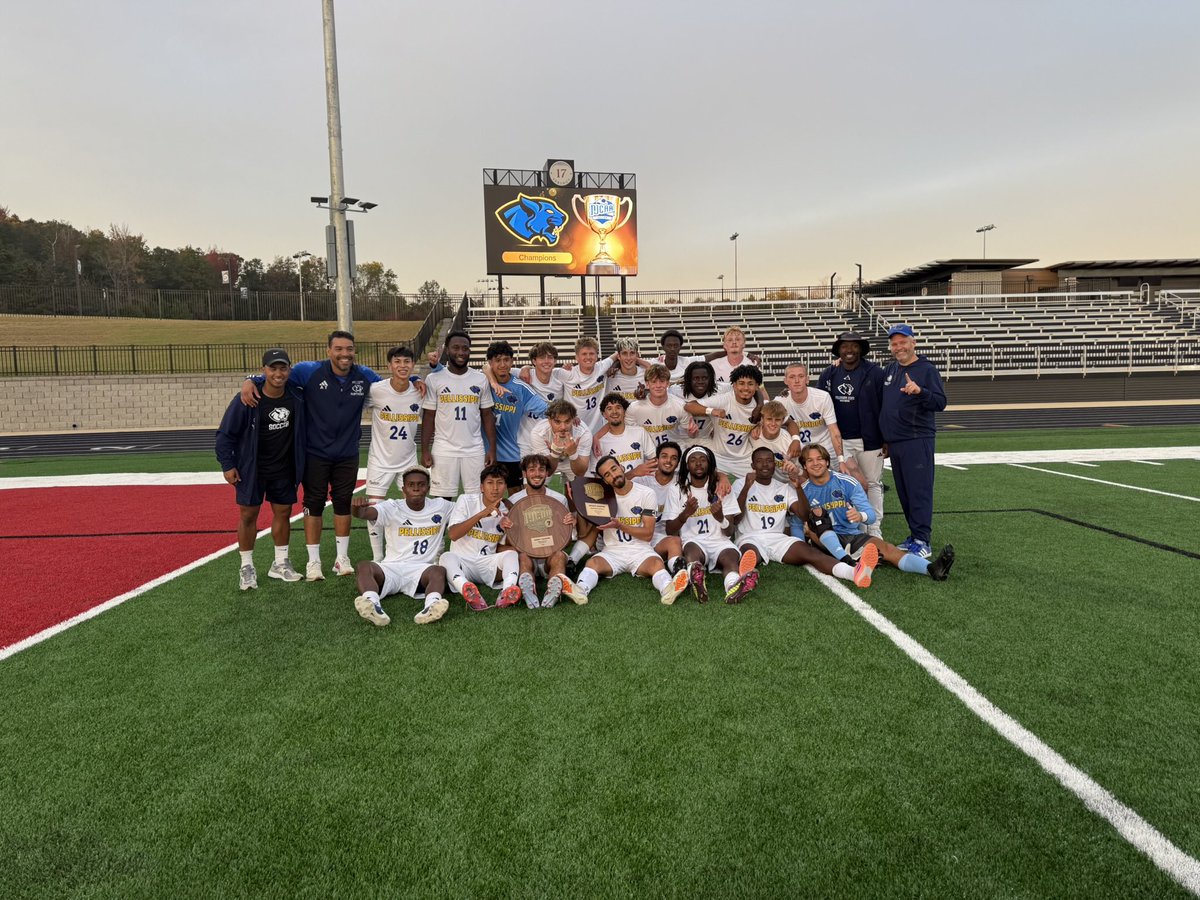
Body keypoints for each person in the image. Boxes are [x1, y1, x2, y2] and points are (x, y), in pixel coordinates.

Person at [241, 330, 382, 581]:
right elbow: (275, 377)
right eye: (338, 349)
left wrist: (416, 378)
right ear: (329, 351)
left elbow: (392, 385)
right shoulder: (309, 371)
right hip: (315, 452)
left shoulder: (364, 375)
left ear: (354, 351)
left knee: (342, 502)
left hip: (347, 453)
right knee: (313, 505)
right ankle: (313, 562)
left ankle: (341, 559)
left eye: (349, 349)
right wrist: (249, 379)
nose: (344, 354)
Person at [216, 348, 306, 591]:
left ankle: (280, 563)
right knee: (248, 515)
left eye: (283, 367)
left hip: (284, 467)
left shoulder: (297, 395)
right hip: (251, 468)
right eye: (272, 368)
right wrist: (228, 465)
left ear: (289, 369)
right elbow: (225, 435)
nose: (278, 373)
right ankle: (246, 566)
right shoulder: (246, 399)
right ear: (264, 370)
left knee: (283, 512)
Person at [726, 447, 877, 588]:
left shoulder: (783, 487)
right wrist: (747, 487)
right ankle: (744, 577)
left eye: (769, 461)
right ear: (753, 465)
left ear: (775, 465)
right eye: (759, 461)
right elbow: (736, 519)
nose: (764, 464)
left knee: (811, 553)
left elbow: (803, 515)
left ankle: (854, 572)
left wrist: (798, 487)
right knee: (751, 554)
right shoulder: (740, 484)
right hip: (750, 537)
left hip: (778, 538)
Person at [798, 445, 954, 580]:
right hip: (820, 540)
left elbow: (870, 515)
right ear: (804, 466)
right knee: (815, 520)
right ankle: (851, 560)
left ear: (826, 462)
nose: (815, 463)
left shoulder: (847, 482)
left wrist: (860, 516)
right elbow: (795, 520)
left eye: (819, 459)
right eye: (810, 460)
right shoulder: (804, 491)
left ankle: (931, 568)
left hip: (850, 535)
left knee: (888, 549)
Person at [558, 456, 691, 606]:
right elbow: (584, 534)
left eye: (614, 469)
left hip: (640, 550)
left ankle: (668, 589)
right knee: (593, 562)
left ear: (621, 467)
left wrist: (620, 525)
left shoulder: (646, 493)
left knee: (656, 564)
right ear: (604, 481)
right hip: (613, 551)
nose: (613, 475)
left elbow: (648, 534)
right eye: (607, 475)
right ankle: (580, 590)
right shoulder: (600, 498)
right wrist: (580, 505)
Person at [349, 468, 454, 627]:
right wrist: (356, 508)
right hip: (391, 567)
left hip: (422, 570)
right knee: (364, 566)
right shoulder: (391, 506)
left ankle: (431, 606)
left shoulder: (442, 506)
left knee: (438, 571)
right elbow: (364, 514)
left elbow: (467, 509)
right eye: (411, 484)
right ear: (403, 488)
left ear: (428, 487)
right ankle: (372, 604)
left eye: (421, 484)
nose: (416, 488)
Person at [879, 324, 947, 559]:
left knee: (919, 491)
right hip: (896, 442)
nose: (898, 347)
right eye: (894, 344)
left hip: (917, 439)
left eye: (902, 342)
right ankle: (914, 535)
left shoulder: (926, 369)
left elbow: (940, 402)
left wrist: (921, 392)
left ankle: (923, 540)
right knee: (905, 492)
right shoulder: (891, 369)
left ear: (913, 342)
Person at [663, 445, 756, 604]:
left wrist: (721, 518)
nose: (698, 464)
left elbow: (729, 532)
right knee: (692, 551)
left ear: (710, 463)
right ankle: (698, 580)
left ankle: (733, 587)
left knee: (730, 558)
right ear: (687, 465)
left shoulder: (722, 488)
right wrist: (686, 514)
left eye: (702, 459)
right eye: (693, 460)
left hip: (720, 541)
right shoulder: (677, 490)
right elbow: (670, 529)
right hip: (694, 541)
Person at [817, 332, 886, 537]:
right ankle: (852, 526)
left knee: (873, 483)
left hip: (870, 439)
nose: (849, 350)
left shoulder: (875, 372)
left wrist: (886, 437)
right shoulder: (829, 373)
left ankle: (873, 528)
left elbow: (884, 406)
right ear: (838, 350)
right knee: (845, 485)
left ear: (861, 349)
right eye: (844, 346)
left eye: (854, 346)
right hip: (840, 441)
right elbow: (818, 402)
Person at [421, 330, 497, 500]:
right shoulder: (434, 379)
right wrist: (424, 449)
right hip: (444, 449)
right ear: (447, 350)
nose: (461, 352)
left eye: (465, 348)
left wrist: (492, 448)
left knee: (477, 499)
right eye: (456, 348)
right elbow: (428, 417)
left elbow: (487, 416)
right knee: (443, 501)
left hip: (474, 449)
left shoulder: (480, 379)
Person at [363, 346, 422, 562]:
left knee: (416, 504)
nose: (402, 366)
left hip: (408, 459)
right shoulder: (376, 390)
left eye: (407, 362)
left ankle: (413, 551)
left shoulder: (419, 390)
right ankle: (378, 556)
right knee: (374, 509)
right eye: (397, 362)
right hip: (380, 460)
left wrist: (418, 380)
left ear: (413, 365)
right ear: (389, 366)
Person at [439, 463, 523, 611]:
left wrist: (510, 529)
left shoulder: (507, 510)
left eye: (500, 483)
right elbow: (453, 534)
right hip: (463, 562)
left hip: (487, 563)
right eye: (490, 483)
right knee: (446, 557)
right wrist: (481, 514)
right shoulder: (466, 500)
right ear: (482, 487)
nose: (495, 488)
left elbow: (505, 546)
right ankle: (466, 588)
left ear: (505, 486)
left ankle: (508, 591)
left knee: (511, 554)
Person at [502, 454, 577, 609]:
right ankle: (529, 588)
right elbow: (511, 542)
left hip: (550, 555)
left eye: (541, 470)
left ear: (547, 473)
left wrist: (569, 527)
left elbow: (566, 542)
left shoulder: (558, 499)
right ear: (524, 473)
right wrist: (509, 528)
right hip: (527, 555)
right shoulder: (514, 501)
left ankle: (553, 588)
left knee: (559, 555)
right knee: (522, 556)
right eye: (531, 470)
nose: (537, 474)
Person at [480, 341, 548, 489]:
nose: (503, 364)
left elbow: (545, 410)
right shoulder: (482, 382)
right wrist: (492, 383)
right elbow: (483, 369)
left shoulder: (520, 387)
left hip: (510, 453)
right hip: (482, 451)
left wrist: (566, 415)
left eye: (506, 360)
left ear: (512, 361)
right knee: (483, 495)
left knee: (516, 497)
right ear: (490, 362)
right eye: (498, 360)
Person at [689, 363, 764, 481]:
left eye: (750, 384)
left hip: (743, 459)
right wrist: (711, 411)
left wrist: (761, 423)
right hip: (718, 457)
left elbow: (787, 421)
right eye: (741, 383)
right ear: (734, 385)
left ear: (756, 387)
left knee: (758, 485)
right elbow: (690, 406)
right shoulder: (724, 399)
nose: (745, 388)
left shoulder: (760, 408)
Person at [777, 363, 847, 465]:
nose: (797, 381)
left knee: (850, 471)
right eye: (792, 377)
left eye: (801, 376)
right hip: (799, 450)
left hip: (826, 449)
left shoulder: (822, 398)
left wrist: (841, 460)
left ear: (807, 379)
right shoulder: (780, 402)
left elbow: (834, 431)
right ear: (785, 381)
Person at [634, 440, 686, 574]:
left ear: (678, 463)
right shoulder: (642, 479)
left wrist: (723, 478)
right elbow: (615, 485)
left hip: (664, 538)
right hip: (640, 536)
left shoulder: (682, 483)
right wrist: (632, 473)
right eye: (664, 456)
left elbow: (708, 476)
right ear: (657, 459)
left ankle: (680, 574)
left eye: (673, 458)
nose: (668, 461)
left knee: (675, 541)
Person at [627, 363, 697, 450]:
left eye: (662, 381)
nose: (658, 386)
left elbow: (692, 434)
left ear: (667, 383)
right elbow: (628, 434)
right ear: (647, 384)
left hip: (674, 452)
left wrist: (692, 433)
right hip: (647, 454)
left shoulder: (680, 405)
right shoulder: (634, 408)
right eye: (654, 382)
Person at [517, 342, 568, 459]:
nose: (546, 361)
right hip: (525, 441)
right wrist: (525, 368)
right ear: (534, 361)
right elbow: (487, 367)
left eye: (550, 357)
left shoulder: (561, 378)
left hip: (549, 440)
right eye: (541, 357)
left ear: (555, 361)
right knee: (528, 477)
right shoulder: (523, 375)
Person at [591, 393, 656, 476]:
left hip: (643, 486)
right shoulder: (598, 443)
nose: (614, 412)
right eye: (609, 409)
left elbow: (653, 459)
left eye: (618, 407)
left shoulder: (640, 432)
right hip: (615, 488)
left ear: (624, 411)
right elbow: (598, 476)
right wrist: (633, 473)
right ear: (604, 414)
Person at [749, 400, 802, 482]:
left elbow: (803, 473)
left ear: (783, 420)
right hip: (760, 485)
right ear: (762, 419)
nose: (773, 424)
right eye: (769, 419)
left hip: (787, 486)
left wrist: (795, 471)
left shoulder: (791, 443)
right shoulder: (752, 435)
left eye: (777, 420)